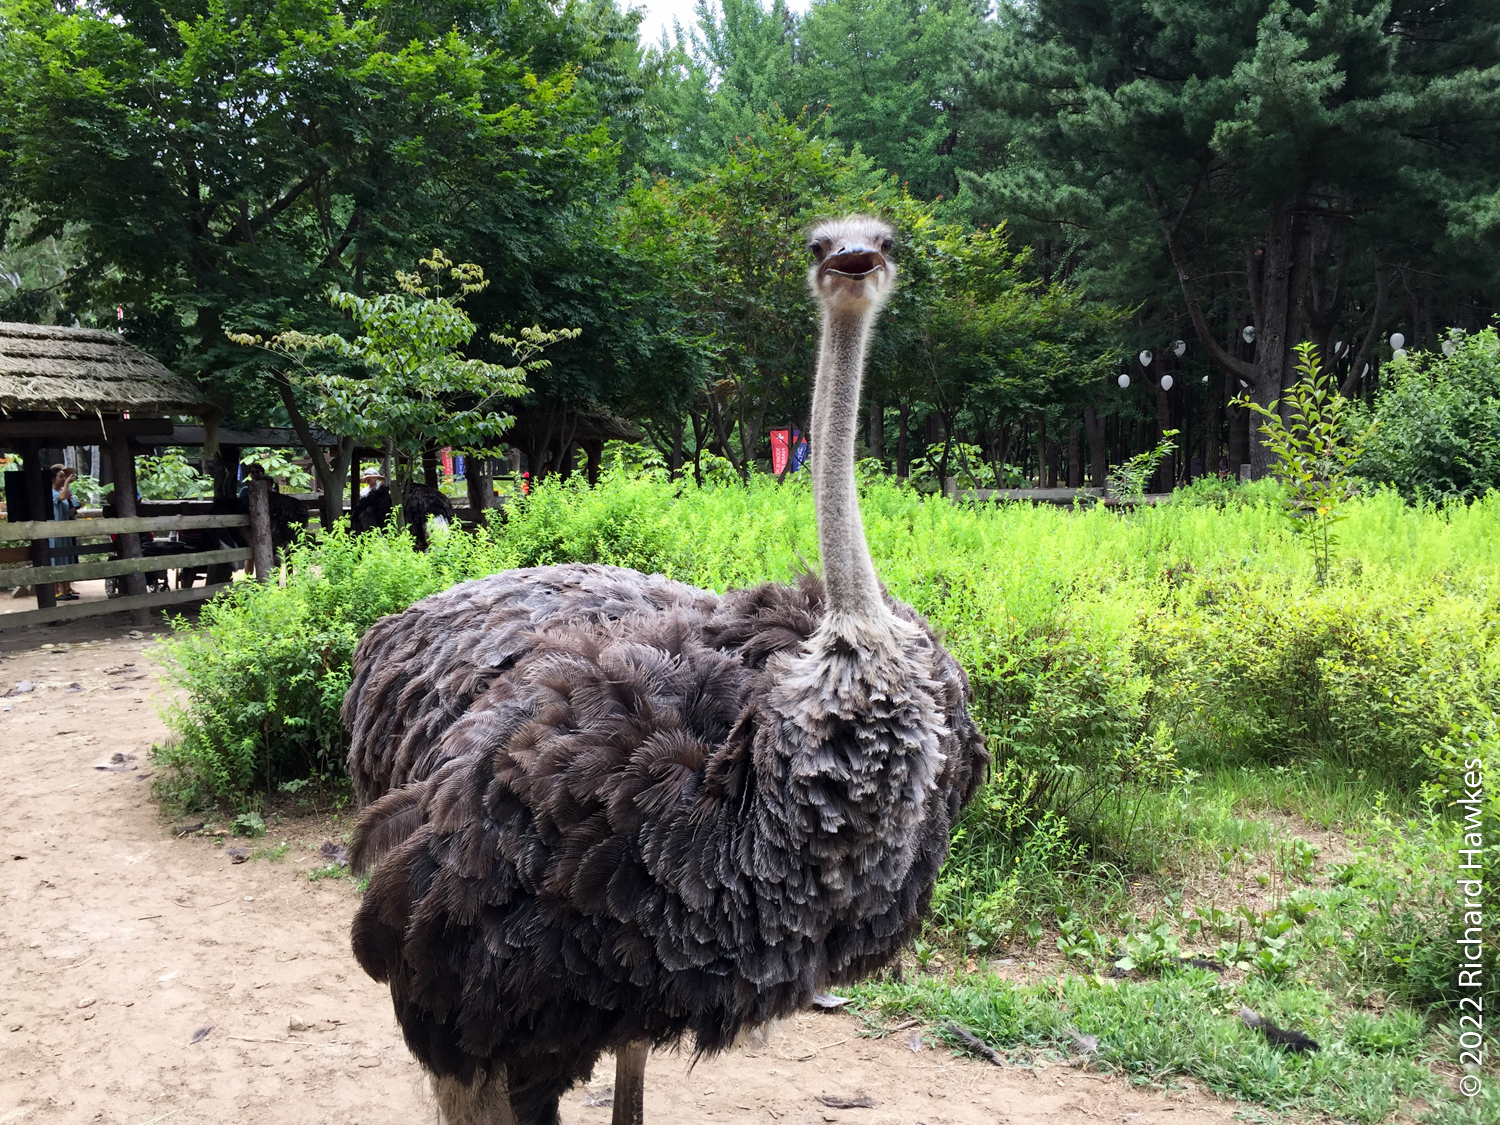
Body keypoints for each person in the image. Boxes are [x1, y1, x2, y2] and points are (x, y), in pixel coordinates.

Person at [49, 464, 81, 600]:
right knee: (55, 560)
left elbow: (66, 512)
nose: (64, 479)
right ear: (53, 479)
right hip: (54, 532)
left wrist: (76, 508)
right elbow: (60, 498)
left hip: (64, 531)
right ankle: (56, 591)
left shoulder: (62, 493)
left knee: (66, 559)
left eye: (65, 477)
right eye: (61, 477)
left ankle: (66, 590)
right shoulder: (51, 493)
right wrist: (67, 483)